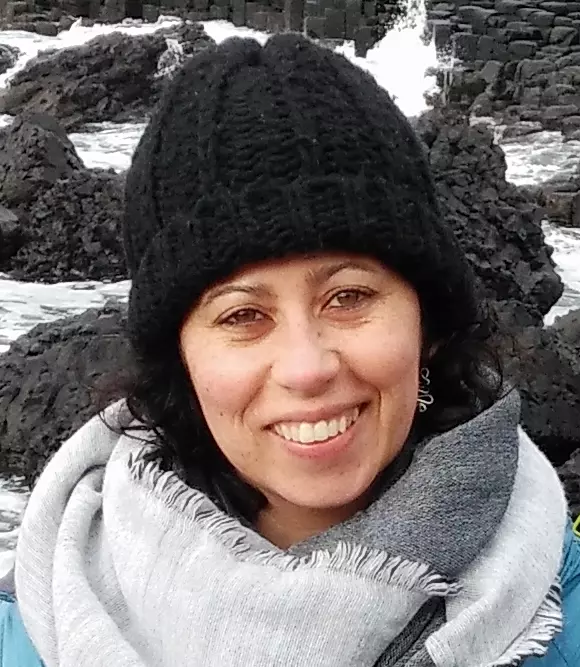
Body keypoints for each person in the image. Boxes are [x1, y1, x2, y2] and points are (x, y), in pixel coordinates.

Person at [1, 33, 579, 667]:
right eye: (243, 315)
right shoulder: (40, 616)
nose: (307, 368)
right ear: (180, 360)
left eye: (349, 297)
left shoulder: (558, 612)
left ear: (428, 323)